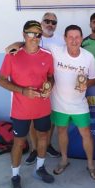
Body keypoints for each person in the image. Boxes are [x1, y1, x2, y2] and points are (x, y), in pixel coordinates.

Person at [0, 20, 55, 188]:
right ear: (23, 35)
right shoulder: (12, 55)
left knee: (44, 136)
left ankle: (40, 168)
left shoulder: (47, 55)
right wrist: (22, 91)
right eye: (31, 33)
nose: (35, 37)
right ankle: (15, 177)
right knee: (19, 142)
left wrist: (49, 87)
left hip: (43, 107)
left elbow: (51, 77)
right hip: (20, 109)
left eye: (38, 34)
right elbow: (0, 80)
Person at [48, 24, 95, 180]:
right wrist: (16, 45)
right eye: (70, 37)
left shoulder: (88, 57)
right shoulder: (55, 50)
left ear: (82, 38)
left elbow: (93, 78)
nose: (74, 40)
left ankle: (91, 164)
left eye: (77, 37)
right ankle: (64, 160)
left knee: (86, 133)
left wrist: (86, 85)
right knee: (62, 131)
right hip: (58, 103)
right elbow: (34, 45)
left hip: (79, 104)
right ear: (65, 38)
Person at [25, 12, 63, 165]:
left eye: (53, 22)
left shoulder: (61, 39)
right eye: (47, 21)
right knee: (33, 118)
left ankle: (47, 145)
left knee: (51, 116)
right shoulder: (33, 37)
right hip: (33, 84)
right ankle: (35, 149)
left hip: (54, 82)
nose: (50, 24)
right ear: (41, 22)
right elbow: (18, 48)